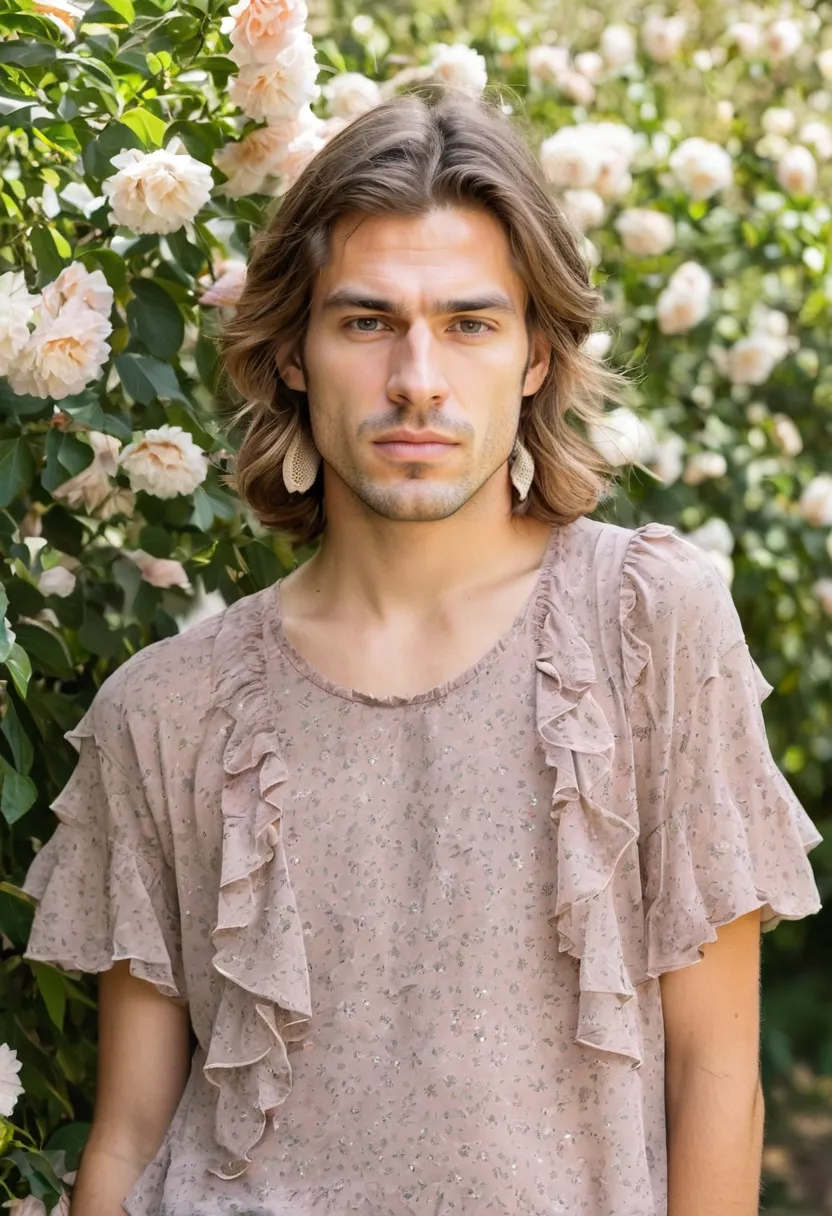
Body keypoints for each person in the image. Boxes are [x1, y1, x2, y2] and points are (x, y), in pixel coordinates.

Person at [22, 86, 822, 1216]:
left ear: (537, 354)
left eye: (468, 322)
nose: (417, 379)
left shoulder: (649, 622)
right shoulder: (165, 709)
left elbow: (714, 1074)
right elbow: (130, 1137)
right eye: (365, 322)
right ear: (293, 352)